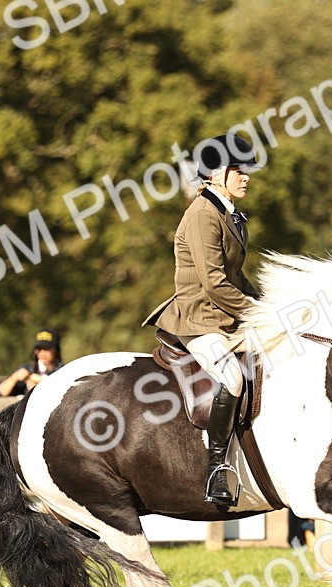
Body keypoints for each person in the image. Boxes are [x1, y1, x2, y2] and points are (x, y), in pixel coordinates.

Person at [143, 132, 261, 506]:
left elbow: (237, 277)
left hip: (224, 316)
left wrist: (270, 304)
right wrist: (256, 313)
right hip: (197, 318)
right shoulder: (201, 216)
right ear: (214, 174)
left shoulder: (229, 214)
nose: (246, 176)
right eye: (237, 170)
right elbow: (213, 283)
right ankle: (216, 469)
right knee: (233, 377)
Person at [0, 329, 64, 397]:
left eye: (47, 349)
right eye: (39, 349)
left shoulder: (63, 371)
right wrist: (15, 377)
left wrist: (39, 387)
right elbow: (3, 391)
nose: (42, 353)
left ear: (56, 350)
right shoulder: (29, 369)